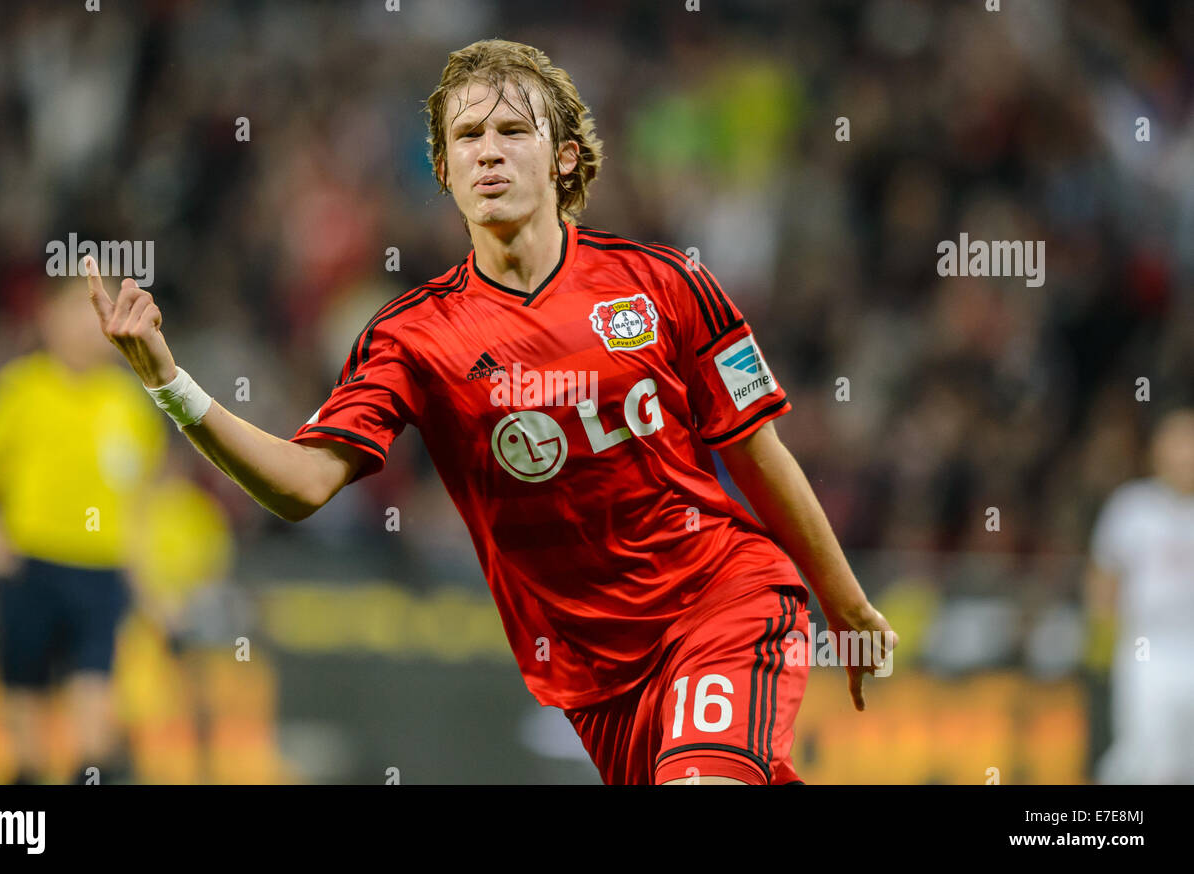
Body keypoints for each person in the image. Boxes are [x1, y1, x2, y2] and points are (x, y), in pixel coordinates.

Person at [87, 38, 896, 785]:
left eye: (514, 129)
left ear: (564, 157)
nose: (490, 150)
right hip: (594, 676)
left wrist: (846, 603)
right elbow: (301, 485)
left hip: (723, 602)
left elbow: (758, 453)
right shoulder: (414, 337)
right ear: (442, 168)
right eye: (467, 136)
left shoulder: (665, 285)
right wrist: (171, 385)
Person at [0, 280, 167, 784]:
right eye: (76, 309)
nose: (89, 325)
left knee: (95, 727)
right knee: (25, 721)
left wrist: (147, 577)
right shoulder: (18, 390)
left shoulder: (129, 403)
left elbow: (143, 499)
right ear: (48, 318)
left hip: (100, 575)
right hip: (32, 568)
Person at [1086, 407, 1194, 783]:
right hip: (1148, 650)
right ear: (1157, 450)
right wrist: (1103, 636)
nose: (1185, 455)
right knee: (1147, 756)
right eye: (1177, 443)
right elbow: (1105, 574)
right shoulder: (1133, 507)